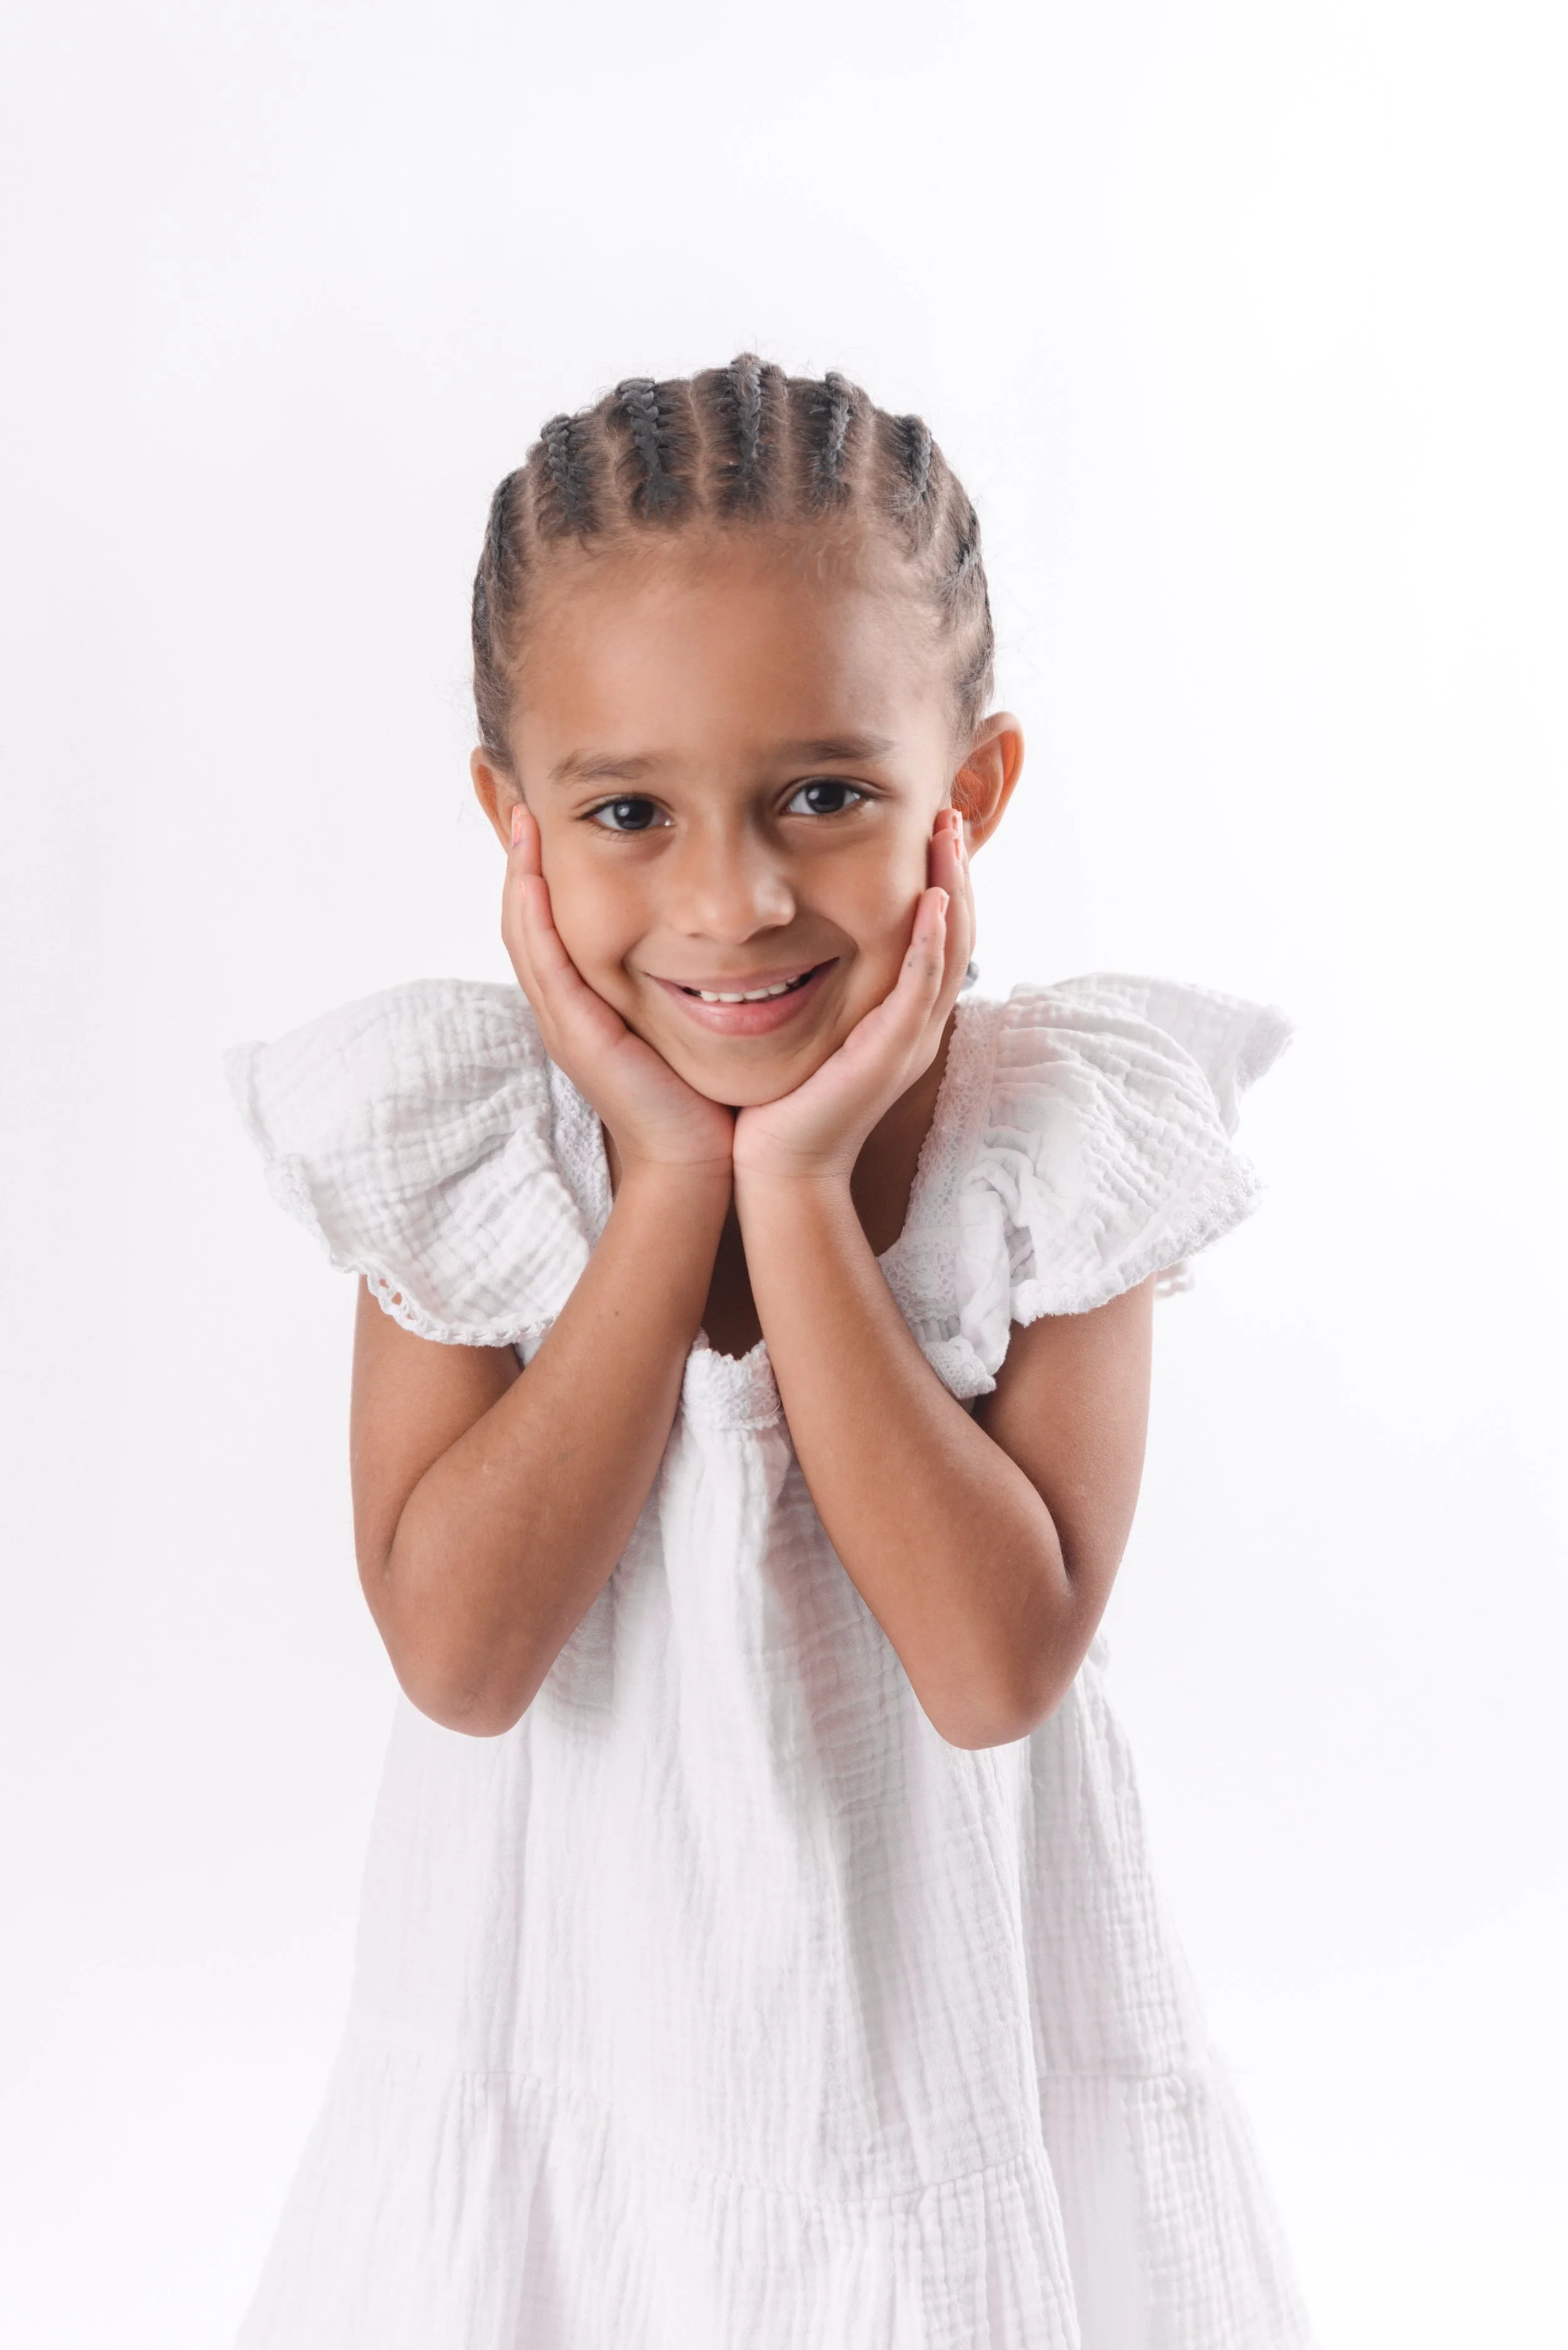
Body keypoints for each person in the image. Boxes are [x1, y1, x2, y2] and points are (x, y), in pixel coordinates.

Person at [227, 356, 1311, 2347]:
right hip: (558, 2048)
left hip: (945, 2074)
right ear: (512, 824)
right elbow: (464, 1659)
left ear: (966, 796)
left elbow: (992, 1670)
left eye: (825, 796)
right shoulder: (467, 1146)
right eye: (627, 811)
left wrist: (798, 1198)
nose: (730, 900)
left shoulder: (1046, 1148)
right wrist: (663, 1183)